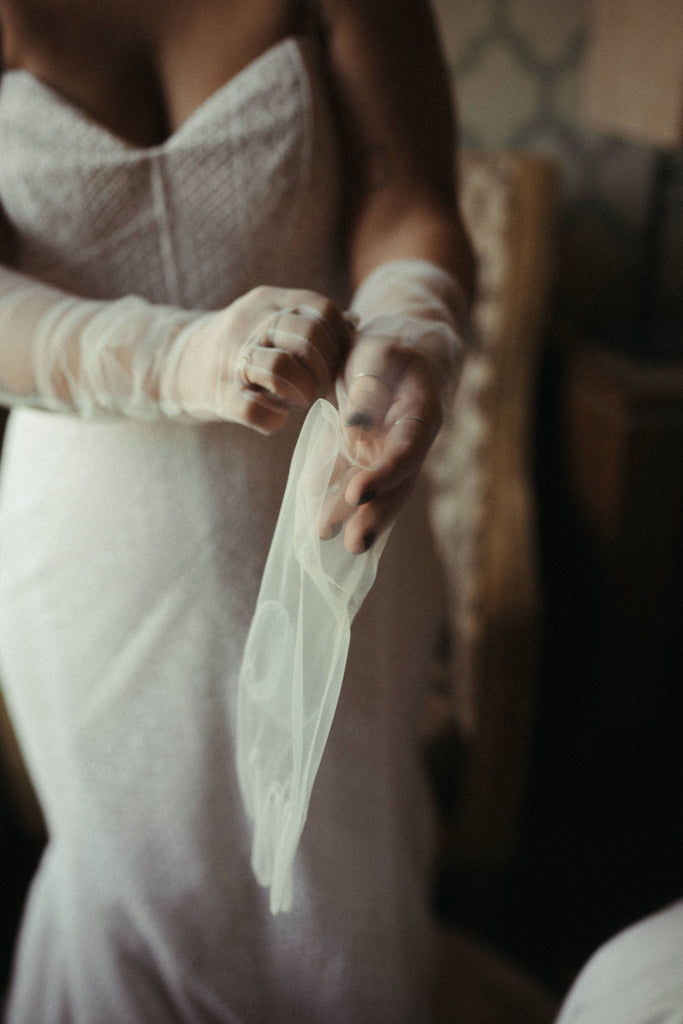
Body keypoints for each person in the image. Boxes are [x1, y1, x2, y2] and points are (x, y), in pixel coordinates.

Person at [0, 1, 474, 1020]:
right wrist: (179, 356)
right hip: (93, 540)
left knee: (337, 899)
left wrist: (410, 329)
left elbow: (411, 199)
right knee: (136, 890)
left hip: (331, 508)